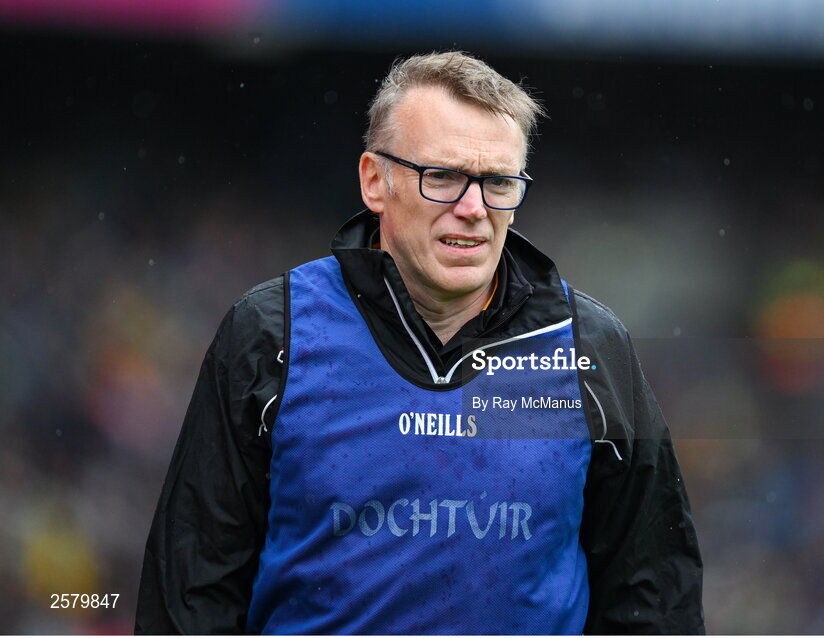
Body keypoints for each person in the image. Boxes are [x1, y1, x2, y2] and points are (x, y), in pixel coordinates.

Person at [136, 51, 704, 634]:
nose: (474, 210)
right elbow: (191, 593)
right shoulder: (271, 336)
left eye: (498, 182)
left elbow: (655, 598)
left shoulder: (589, 350)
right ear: (374, 181)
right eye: (444, 177)